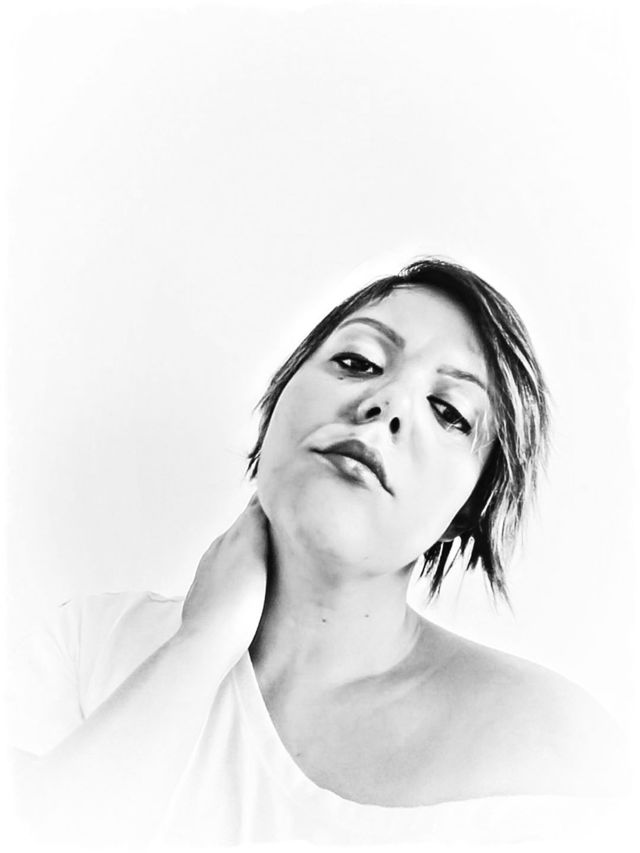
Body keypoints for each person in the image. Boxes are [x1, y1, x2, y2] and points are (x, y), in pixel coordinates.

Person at [10, 258, 626, 846]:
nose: (388, 404)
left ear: (466, 512)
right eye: (358, 361)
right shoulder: (89, 648)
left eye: (448, 412)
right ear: (278, 401)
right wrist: (200, 645)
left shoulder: (558, 753)